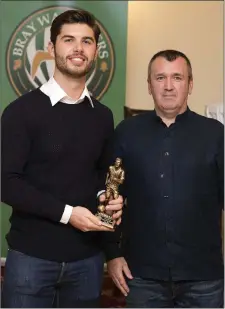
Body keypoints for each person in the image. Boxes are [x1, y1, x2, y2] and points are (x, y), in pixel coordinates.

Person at [1, 9, 123, 308]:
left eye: (87, 41)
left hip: (87, 263)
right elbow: (6, 183)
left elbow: (101, 177)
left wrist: (109, 199)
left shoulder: (103, 116)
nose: (78, 48)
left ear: (96, 50)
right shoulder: (21, 112)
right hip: (31, 261)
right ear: (51, 48)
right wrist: (69, 215)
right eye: (69, 40)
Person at [106, 50, 224, 308]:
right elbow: (109, 197)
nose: (168, 86)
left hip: (204, 279)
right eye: (160, 78)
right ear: (149, 86)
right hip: (142, 277)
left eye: (177, 78)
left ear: (190, 84)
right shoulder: (126, 132)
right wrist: (113, 255)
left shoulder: (216, 134)